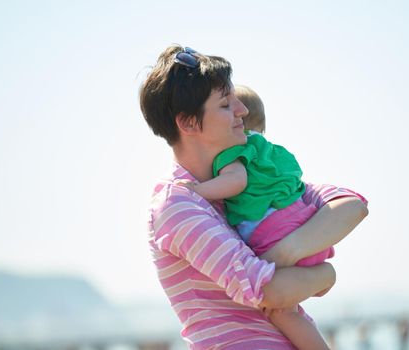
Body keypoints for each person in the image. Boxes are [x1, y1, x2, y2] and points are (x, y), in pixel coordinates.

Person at [140, 44, 369, 349]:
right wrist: (325, 273)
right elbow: (268, 290)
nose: (242, 110)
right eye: (225, 104)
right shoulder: (177, 203)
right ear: (188, 123)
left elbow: (350, 207)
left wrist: (288, 255)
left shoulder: (250, 181)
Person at [176, 85, 354, 349]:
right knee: (290, 311)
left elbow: (235, 182)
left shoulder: (235, 153)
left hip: (271, 237)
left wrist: (198, 190)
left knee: (282, 312)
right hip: (306, 232)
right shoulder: (273, 152)